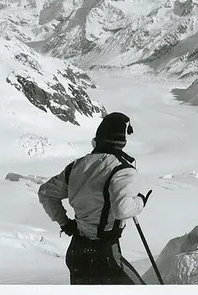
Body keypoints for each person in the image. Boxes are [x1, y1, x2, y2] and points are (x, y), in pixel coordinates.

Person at [38, 112, 152, 284]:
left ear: (97, 139)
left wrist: (65, 223)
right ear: (122, 141)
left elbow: (46, 193)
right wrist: (140, 201)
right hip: (105, 254)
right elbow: (122, 210)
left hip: (77, 251)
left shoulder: (76, 166)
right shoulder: (123, 170)